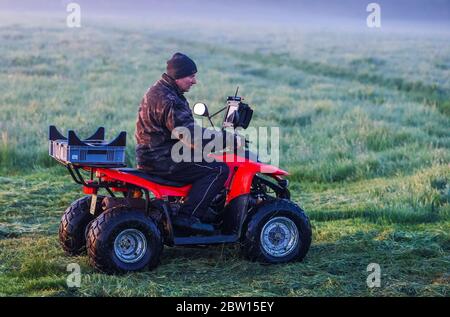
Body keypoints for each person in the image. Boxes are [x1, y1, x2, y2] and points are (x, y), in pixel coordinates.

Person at [135, 52, 240, 231]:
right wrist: (227, 140)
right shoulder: (169, 100)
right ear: (178, 76)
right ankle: (188, 217)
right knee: (218, 169)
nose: (194, 81)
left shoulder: (157, 91)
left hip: (151, 155)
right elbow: (191, 136)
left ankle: (192, 207)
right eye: (191, 76)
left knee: (202, 159)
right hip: (164, 159)